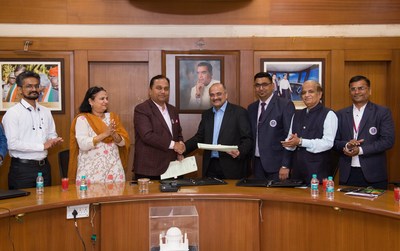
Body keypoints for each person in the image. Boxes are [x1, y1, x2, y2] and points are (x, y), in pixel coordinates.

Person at [2, 71, 63, 189]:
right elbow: (12, 144)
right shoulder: (13, 113)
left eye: (36, 86)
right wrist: (42, 146)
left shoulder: (46, 111)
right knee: (23, 205)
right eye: (29, 86)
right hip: (22, 170)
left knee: (45, 205)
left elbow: (51, 133)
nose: (34, 89)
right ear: (19, 89)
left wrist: (53, 140)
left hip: (44, 167)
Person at [334, 76, 394, 189]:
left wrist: (360, 150)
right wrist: (347, 145)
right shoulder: (340, 114)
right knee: (348, 206)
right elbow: (335, 142)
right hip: (348, 174)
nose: (356, 92)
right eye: (353, 89)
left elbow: (388, 141)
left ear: (369, 90)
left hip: (374, 175)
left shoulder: (382, 112)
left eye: (361, 88)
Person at [185, 82, 253, 179]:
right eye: (212, 95)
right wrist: (184, 147)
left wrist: (240, 151)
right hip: (210, 166)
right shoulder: (206, 115)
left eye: (218, 94)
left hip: (232, 166)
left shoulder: (239, 112)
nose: (215, 97)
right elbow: (199, 138)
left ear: (226, 95)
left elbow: (248, 139)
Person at [69, 86, 130, 184]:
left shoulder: (112, 117)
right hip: (91, 172)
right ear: (91, 101)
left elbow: (123, 143)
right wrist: (105, 134)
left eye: (107, 98)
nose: (106, 101)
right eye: (102, 99)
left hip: (114, 170)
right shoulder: (82, 119)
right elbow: (83, 145)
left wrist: (114, 134)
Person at [281, 80, 338, 184]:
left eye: (310, 92)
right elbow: (290, 140)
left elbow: (328, 143)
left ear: (320, 94)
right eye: (303, 93)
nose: (306, 95)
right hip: (297, 171)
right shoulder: (297, 114)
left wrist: (301, 142)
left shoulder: (329, 114)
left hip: (318, 172)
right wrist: (285, 165)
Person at [133, 75, 185, 180]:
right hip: (149, 170)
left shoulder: (173, 110)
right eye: (159, 88)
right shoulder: (142, 109)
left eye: (166, 89)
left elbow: (178, 133)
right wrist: (174, 145)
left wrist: (180, 146)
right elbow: (147, 136)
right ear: (150, 91)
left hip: (172, 168)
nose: (163, 91)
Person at [248, 72, 295, 180]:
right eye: (257, 85)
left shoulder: (285, 105)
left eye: (264, 84)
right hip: (257, 164)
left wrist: (285, 165)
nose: (261, 88)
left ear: (273, 85)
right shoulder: (252, 108)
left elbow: (289, 137)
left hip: (277, 166)